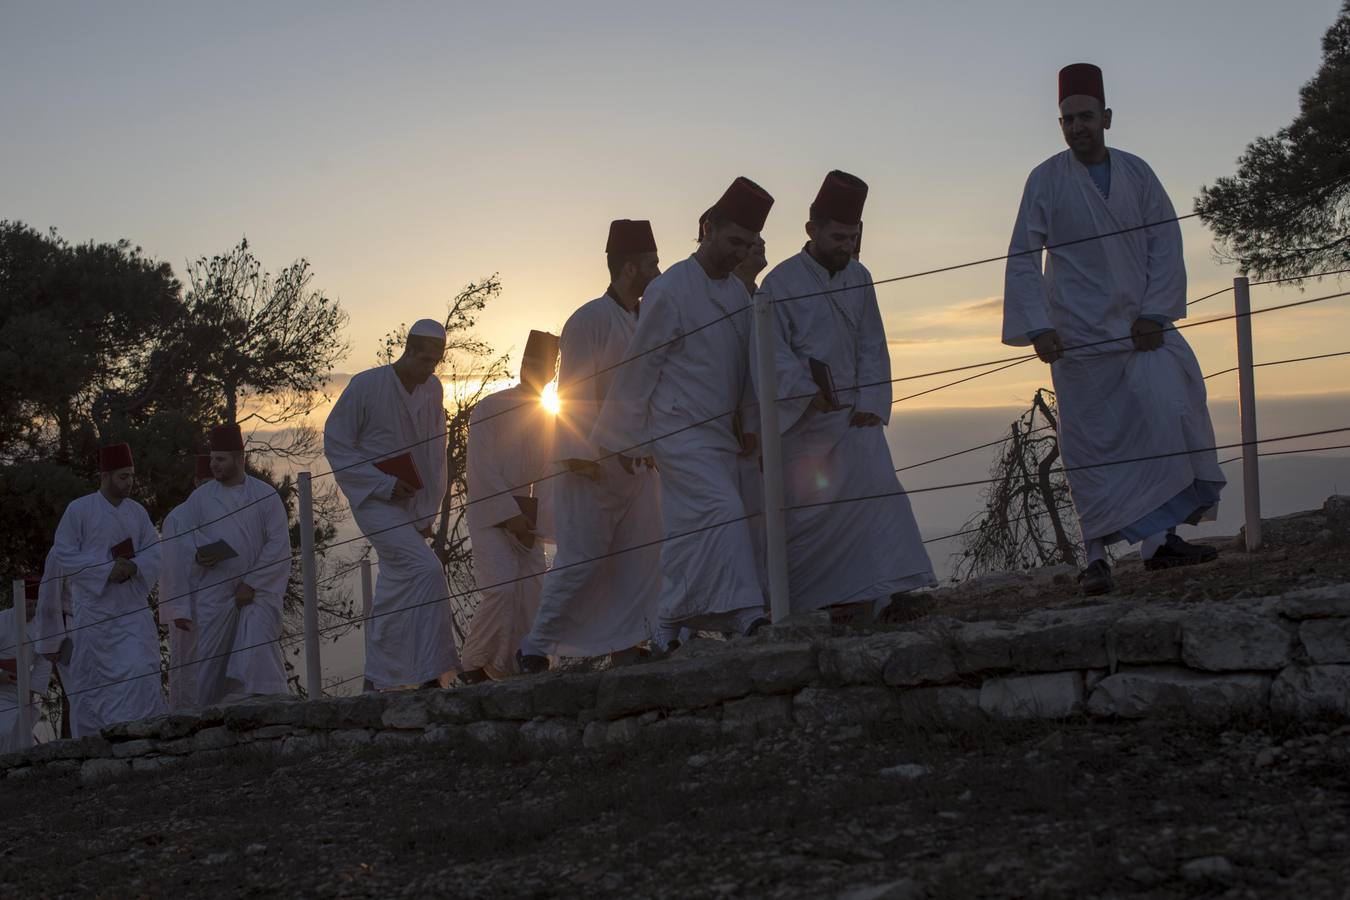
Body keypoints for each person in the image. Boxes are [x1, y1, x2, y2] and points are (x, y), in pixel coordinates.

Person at [1003, 63, 1224, 596]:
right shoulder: (1045, 179)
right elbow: (1023, 255)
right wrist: (1038, 327)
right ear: (1060, 125)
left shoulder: (1138, 173)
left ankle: (1159, 543)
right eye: (1067, 119)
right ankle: (1096, 558)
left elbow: (1165, 243)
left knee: (1170, 414)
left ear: (1106, 117)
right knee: (1091, 448)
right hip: (1077, 339)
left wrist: (1155, 313)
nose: (1077, 126)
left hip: (1141, 331)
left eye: (1085, 116)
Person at [592, 177, 773, 650]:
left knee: (691, 532)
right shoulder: (669, 289)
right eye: (734, 242)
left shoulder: (737, 296)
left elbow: (746, 369)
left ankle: (669, 624)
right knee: (723, 510)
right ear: (709, 230)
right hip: (678, 431)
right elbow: (641, 365)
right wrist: (627, 438)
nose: (740, 253)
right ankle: (747, 614)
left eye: (748, 245)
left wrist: (750, 424)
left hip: (723, 435)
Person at [757, 170, 936, 622]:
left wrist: (872, 404)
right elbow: (772, 354)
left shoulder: (861, 276)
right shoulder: (779, 283)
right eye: (838, 237)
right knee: (808, 515)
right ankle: (811, 605)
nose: (847, 246)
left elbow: (872, 343)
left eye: (852, 237)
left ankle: (886, 595)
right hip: (804, 425)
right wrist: (806, 393)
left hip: (856, 417)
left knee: (881, 493)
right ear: (811, 230)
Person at [517, 221, 664, 673]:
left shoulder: (645, 319)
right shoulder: (588, 319)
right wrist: (582, 454)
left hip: (639, 465)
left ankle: (628, 643)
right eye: (653, 264)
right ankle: (535, 647)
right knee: (581, 561)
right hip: (592, 466)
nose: (659, 272)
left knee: (640, 558)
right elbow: (574, 390)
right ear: (629, 268)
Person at [325, 320, 458, 690]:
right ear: (408, 350)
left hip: (414, 502)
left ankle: (380, 678)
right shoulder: (365, 385)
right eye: (426, 360)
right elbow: (336, 442)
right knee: (426, 570)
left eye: (436, 362)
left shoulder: (433, 389)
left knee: (395, 585)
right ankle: (431, 672)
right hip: (373, 500)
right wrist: (382, 484)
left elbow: (435, 451)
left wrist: (428, 510)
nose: (430, 368)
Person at [48, 443, 166, 736]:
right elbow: (64, 553)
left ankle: (143, 736)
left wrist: (135, 567)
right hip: (95, 615)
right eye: (123, 476)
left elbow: (154, 550)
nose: (130, 482)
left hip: (132, 610)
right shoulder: (79, 510)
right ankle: (99, 743)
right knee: (95, 683)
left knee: (140, 668)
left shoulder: (137, 512)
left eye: (132, 476)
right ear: (105, 476)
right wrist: (104, 571)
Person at [183, 428, 290, 705]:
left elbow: (278, 545)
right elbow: (184, 539)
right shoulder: (199, 499)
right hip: (214, 595)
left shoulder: (265, 496)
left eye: (220, 459)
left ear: (240, 459)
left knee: (256, 647)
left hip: (259, 594)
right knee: (211, 665)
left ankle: (263, 707)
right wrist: (198, 555)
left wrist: (252, 583)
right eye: (212, 459)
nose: (214, 465)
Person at [157, 454, 212, 710]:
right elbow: (172, 565)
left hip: (219, 603)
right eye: (206, 483)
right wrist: (178, 609)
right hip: (189, 605)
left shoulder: (227, 512)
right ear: (196, 482)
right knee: (188, 664)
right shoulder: (178, 517)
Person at [0, 578, 53, 752]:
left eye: (36, 605)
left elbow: (44, 661)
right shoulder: (2, 621)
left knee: (21, 735)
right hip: (1, 690)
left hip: (21, 690)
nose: (32, 610)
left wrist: (32, 688)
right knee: (4, 730)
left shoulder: (41, 627)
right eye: (29, 605)